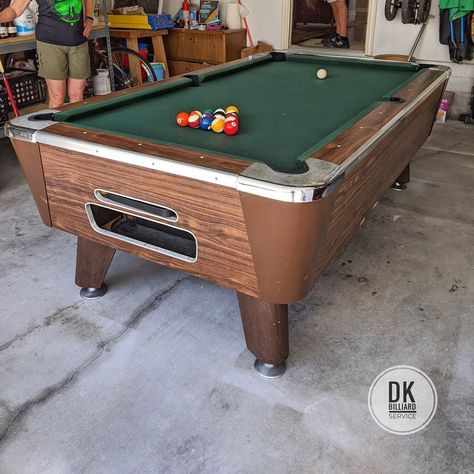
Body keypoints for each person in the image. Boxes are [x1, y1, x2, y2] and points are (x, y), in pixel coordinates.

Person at [0, 0, 94, 107]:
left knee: (77, 96)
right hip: (50, 43)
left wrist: (89, 18)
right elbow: (15, 9)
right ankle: (57, 124)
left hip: (78, 41)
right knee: (57, 98)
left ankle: (75, 124)